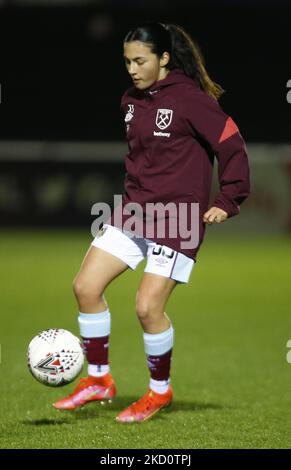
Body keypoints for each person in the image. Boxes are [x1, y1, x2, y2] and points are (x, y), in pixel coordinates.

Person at [53, 22, 250, 423]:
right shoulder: (131, 100)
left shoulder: (191, 100)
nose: (132, 68)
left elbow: (231, 144)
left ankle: (159, 392)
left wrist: (229, 198)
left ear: (163, 59)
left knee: (146, 307)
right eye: (127, 61)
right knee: (85, 286)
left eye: (140, 60)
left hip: (177, 218)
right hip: (135, 211)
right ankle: (97, 379)